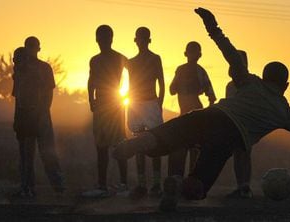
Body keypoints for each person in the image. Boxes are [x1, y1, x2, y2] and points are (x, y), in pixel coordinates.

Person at [113, 8, 290, 211]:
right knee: (199, 187)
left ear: (264, 76)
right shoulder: (284, 111)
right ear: (285, 85)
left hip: (209, 115)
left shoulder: (250, 82)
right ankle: (179, 187)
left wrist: (213, 28)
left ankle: (137, 143)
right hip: (229, 137)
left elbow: (232, 55)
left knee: (165, 137)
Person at [12, 37, 65, 198]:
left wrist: (42, 111)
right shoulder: (20, 71)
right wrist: (17, 118)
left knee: (47, 152)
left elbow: (49, 93)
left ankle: (58, 186)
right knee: (26, 154)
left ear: (37, 49)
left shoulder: (44, 68)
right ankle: (27, 187)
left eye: (32, 47)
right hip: (25, 114)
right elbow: (18, 97)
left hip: (40, 114)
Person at [82, 25, 129, 198]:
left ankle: (124, 183)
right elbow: (91, 81)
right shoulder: (95, 60)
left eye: (105, 37)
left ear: (111, 38)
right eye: (100, 38)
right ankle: (103, 184)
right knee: (101, 145)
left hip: (115, 103)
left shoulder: (120, 58)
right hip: (102, 104)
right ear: (97, 39)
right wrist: (91, 100)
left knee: (119, 143)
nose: (102, 41)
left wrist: (135, 94)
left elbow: (137, 72)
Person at [126, 26, 165, 199]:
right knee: (138, 144)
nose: (141, 42)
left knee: (155, 143)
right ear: (136, 40)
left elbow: (161, 83)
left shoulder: (155, 59)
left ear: (148, 40)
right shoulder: (130, 62)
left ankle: (156, 183)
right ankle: (142, 184)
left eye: (143, 38)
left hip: (151, 103)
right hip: (135, 103)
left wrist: (159, 104)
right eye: (139, 38)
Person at [168, 41, 216, 178]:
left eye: (195, 52)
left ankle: (191, 178)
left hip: (195, 115)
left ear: (199, 55)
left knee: (193, 148)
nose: (193, 55)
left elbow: (211, 95)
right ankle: (180, 178)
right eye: (192, 52)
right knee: (184, 147)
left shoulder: (200, 72)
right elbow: (172, 89)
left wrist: (208, 114)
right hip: (186, 114)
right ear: (186, 54)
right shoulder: (182, 70)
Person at [224, 50, 253, 199]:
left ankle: (245, 186)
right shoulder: (230, 86)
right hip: (233, 123)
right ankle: (240, 185)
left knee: (245, 154)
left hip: (246, 123)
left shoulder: (251, 83)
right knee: (238, 154)